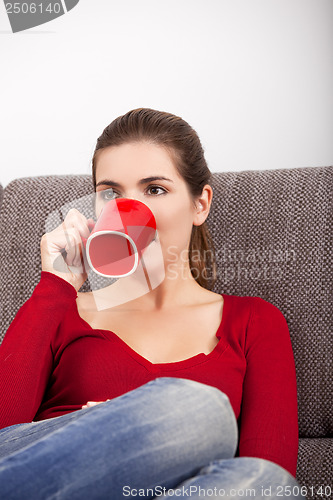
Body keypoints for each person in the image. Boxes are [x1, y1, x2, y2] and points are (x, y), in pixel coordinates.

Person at [0, 108, 306, 499]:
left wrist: (129, 429)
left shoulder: (254, 321)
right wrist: (56, 284)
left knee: (268, 482)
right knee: (196, 411)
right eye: (110, 194)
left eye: (155, 189)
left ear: (200, 204)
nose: (130, 209)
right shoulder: (62, 309)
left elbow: (266, 481)